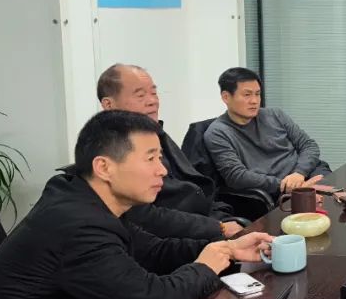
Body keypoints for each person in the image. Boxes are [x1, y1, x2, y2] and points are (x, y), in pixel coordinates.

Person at [0, 111, 274, 299]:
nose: (162, 170)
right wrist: (206, 267)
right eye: (150, 158)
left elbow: (154, 251)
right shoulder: (75, 224)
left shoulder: (90, 200)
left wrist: (228, 248)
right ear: (104, 167)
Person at [97, 63, 242, 239]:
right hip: (176, 238)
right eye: (140, 95)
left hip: (207, 219)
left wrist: (223, 216)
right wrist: (217, 227)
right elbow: (144, 217)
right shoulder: (111, 151)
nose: (152, 101)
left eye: (153, 93)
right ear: (109, 104)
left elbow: (194, 183)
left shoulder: (154, 133)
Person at [204, 67, 330, 197]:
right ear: (226, 97)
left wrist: (299, 173)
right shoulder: (218, 133)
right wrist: (288, 186)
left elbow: (308, 145)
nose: (254, 101)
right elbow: (236, 176)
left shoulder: (275, 115)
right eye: (247, 95)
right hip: (277, 191)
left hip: (306, 174)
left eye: (257, 94)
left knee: (339, 197)